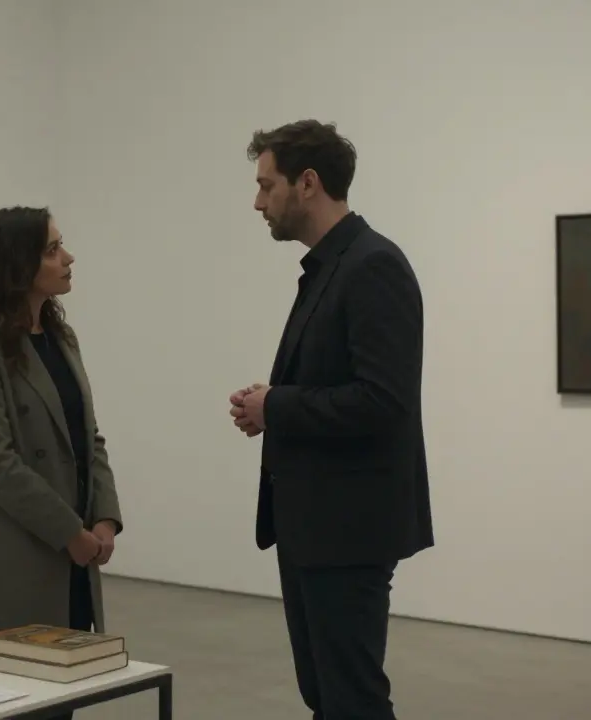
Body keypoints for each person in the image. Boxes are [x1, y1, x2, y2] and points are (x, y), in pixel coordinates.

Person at [228, 120, 434, 720]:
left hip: (349, 530)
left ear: (308, 183)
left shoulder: (372, 267)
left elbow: (382, 400)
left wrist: (278, 406)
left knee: (352, 701)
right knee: (329, 696)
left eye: (268, 186)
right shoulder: (330, 267)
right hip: (315, 527)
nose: (258, 201)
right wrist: (273, 405)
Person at [0, 206, 123, 718]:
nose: (68, 258)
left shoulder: (62, 339)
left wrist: (106, 517)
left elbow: (90, 438)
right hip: (16, 551)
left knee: (60, 695)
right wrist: (71, 531)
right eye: (51, 249)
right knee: (13, 698)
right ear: (16, 264)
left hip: (75, 552)